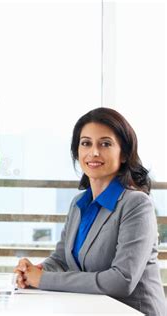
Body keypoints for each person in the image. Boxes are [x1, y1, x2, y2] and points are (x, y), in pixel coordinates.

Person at [14, 107, 166, 316]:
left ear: (124, 154)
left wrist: (43, 279)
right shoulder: (79, 203)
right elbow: (61, 260)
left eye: (105, 144)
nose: (93, 152)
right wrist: (33, 270)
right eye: (86, 143)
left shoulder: (137, 204)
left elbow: (122, 280)